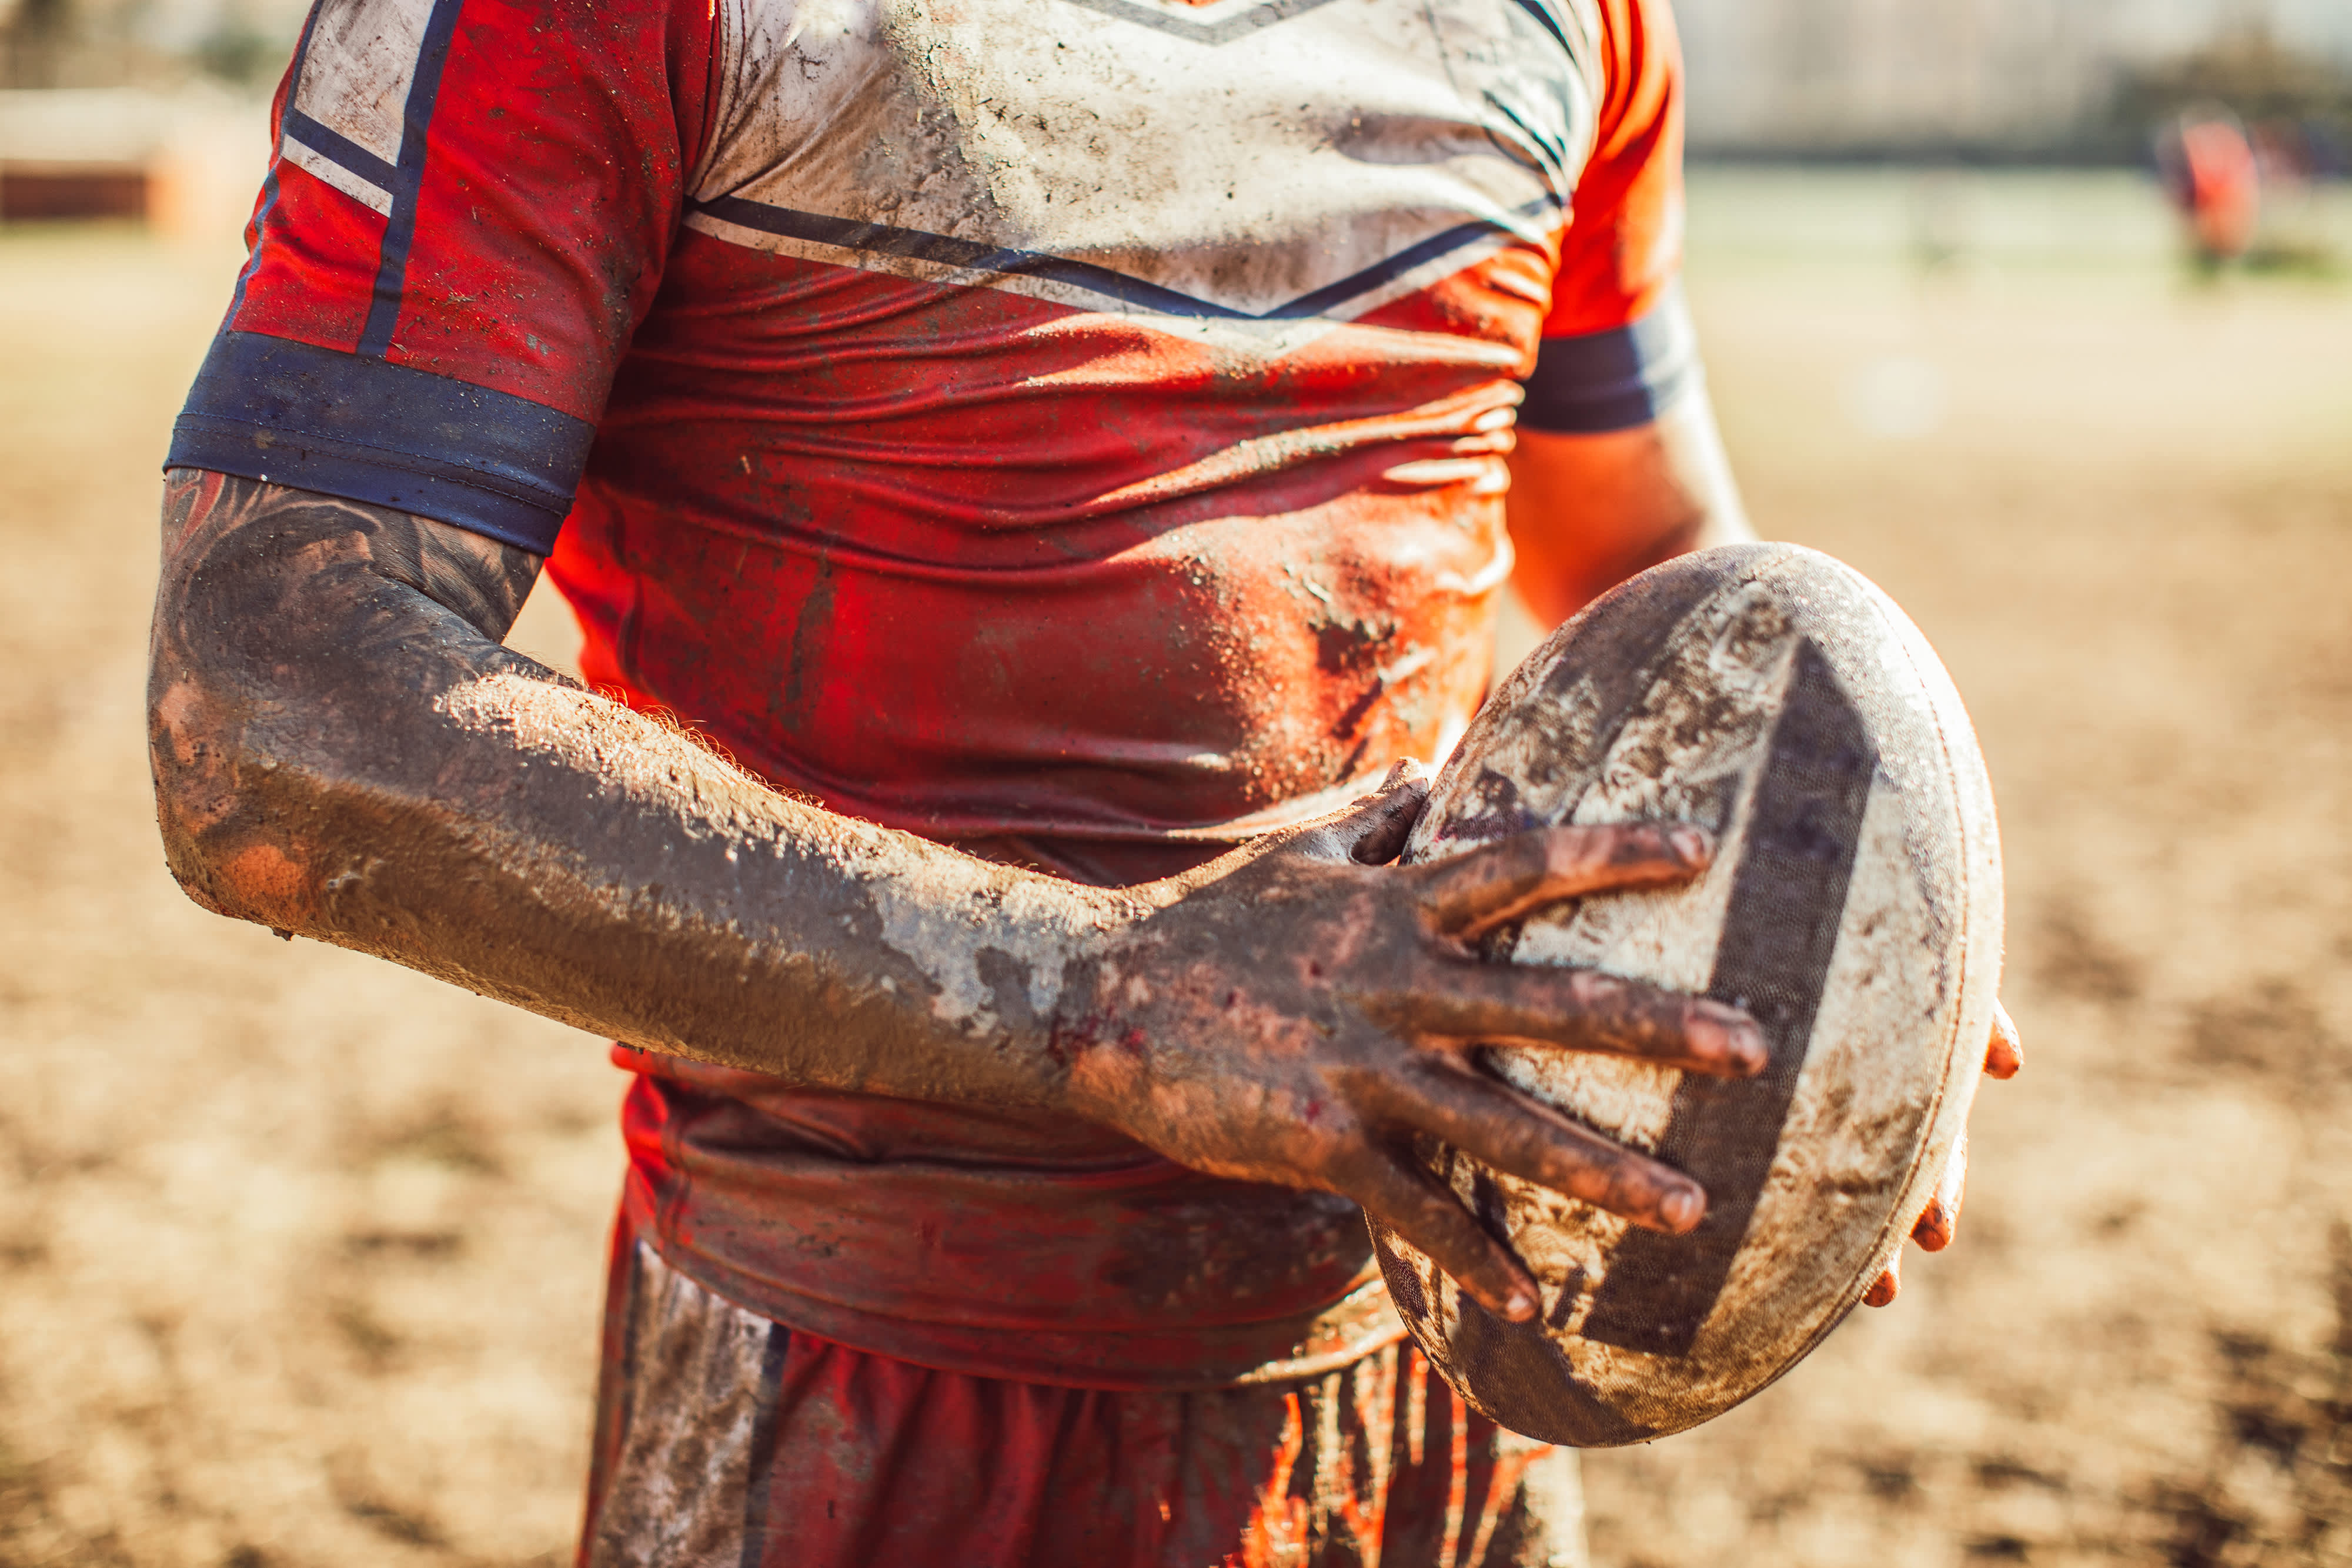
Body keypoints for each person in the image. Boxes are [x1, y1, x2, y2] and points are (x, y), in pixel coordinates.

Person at [146, 0, 2017, 1560]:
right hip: (857, 1398)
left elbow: (1655, 567)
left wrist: (1834, 951)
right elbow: (262, 709)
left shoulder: (1561, 20)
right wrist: (1101, 987)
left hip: (1435, 1387)